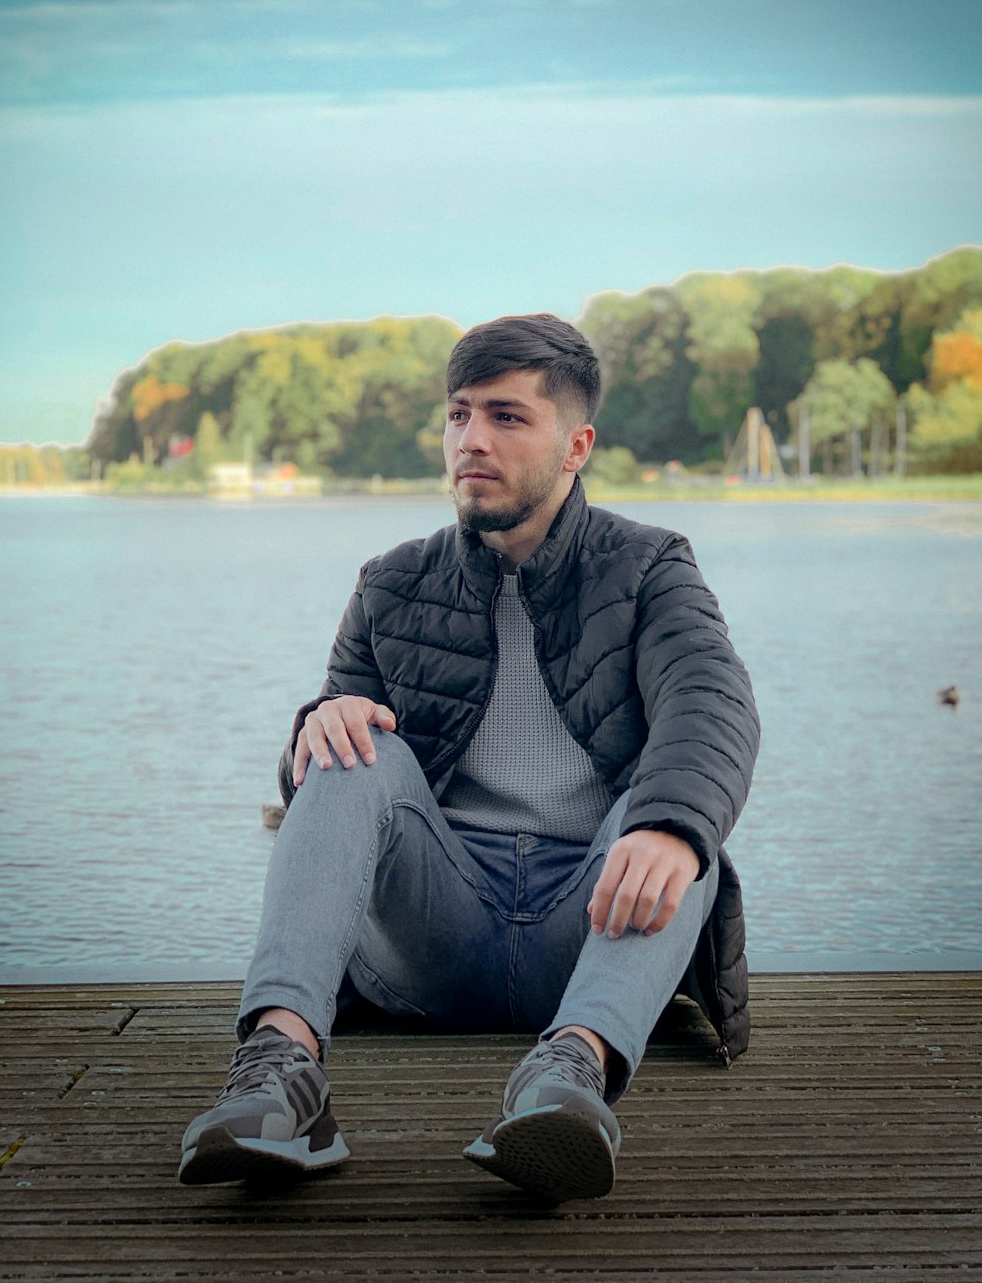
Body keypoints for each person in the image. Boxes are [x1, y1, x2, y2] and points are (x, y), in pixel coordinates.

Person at [179, 313, 760, 1202]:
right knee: (348, 743)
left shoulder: (649, 568)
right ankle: (280, 1071)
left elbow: (711, 702)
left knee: (681, 825)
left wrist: (672, 826)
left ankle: (570, 1075)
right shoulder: (391, 581)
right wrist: (317, 723)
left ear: (577, 445)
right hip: (433, 935)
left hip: (592, 926)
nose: (471, 440)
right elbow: (330, 794)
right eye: (458, 415)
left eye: (506, 416)